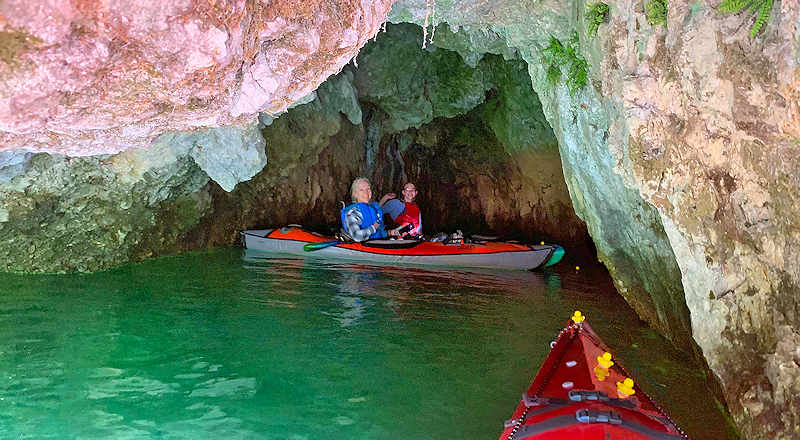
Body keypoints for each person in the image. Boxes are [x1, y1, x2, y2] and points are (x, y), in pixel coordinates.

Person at [340, 177, 387, 242]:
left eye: (368, 189)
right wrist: (373, 228)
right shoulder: (352, 213)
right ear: (355, 194)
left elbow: (381, 231)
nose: (366, 192)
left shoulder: (374, 209)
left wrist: (391, 233)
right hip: (366, 247)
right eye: (361, 190)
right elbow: (357, 236)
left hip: (379, 243)